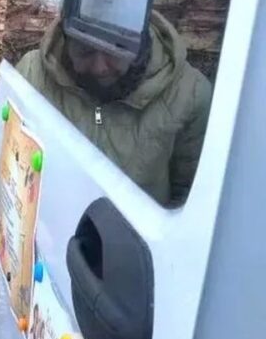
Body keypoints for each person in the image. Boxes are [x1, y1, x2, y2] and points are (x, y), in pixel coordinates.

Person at [17, 11, 211, 206]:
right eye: (85, 51)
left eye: (115, 49)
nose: (100, 68)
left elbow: (190, 202)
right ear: (66, 40)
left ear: (139, 42)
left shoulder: (189, 95)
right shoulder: (32, 76)